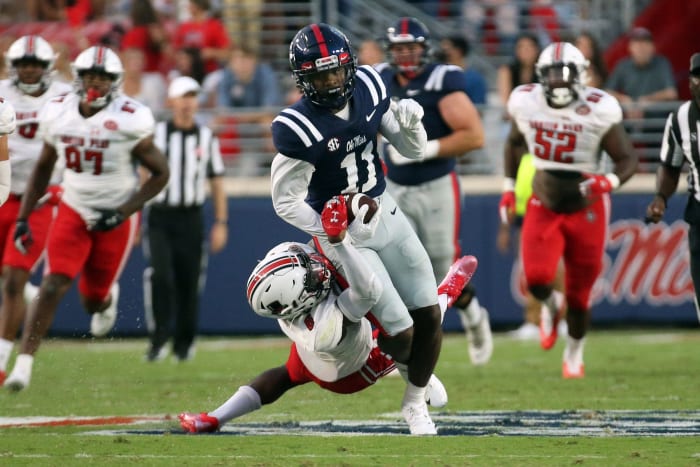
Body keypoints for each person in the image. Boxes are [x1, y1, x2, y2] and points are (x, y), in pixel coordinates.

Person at [179, 194, 478, 434]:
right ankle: (445, 297)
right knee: (405, 332)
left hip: (314, 357)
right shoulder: (322, 324)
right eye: (307, 276)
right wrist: (341, 242)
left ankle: (214, 418)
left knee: (284, 376)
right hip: (351, 370)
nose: (313, 268)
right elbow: (368, 290)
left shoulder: (293, 304)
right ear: (298, 302)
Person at [270, 23, 441, 435]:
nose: (330, 81)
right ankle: (411, 382)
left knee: (430, 313)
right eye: (319, 75)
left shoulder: (369, 84)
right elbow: (283, 199)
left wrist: (413, 125)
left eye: (335, 71)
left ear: (349, 66)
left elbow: (411, 151)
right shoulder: (298, 126)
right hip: (347, 236)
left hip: (385, 211)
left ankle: (414, 399)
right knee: (400, 329)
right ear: (302, 79)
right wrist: (330, 230)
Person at [2, 45, 169, 391]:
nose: (96, 83)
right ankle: (24, 365)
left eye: (103, 77)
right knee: (52, 285)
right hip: (73, 207)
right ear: (78, 78)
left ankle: (107, 298)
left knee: (92, 299)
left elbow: (161, 173)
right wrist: (24, 216)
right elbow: (44, 167)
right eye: (91, 76)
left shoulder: (129, 117)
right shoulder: (59, 112)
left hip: (114, 214)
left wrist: (124, 211)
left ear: (115, 82)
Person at [500, 42, 637, 378]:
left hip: (586, 207)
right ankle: (548, 308)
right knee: (536, 280)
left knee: (579, 296)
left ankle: (574, 352)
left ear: (581, 75)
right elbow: (515, 143)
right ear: (540, 76)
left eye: (565, 74)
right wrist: (507, 188)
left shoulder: (600, 108)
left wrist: (608, 181)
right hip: (543, 201)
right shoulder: (526, 101)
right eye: (552, 74)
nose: (559, 82)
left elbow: (627, 160)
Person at [377, 18, 492, 366]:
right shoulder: (379, 79)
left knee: (442, 264)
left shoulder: (442, 80)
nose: (407, 55)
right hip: (394, 184)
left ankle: (473, 314)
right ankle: (407, 351)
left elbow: (474, 136)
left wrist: (423, 148)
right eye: (400, 48)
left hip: (437, 182)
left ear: (425, 49)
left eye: (412, 47)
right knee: (400, 266)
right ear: (390, 52)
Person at [0, 36, 73, 386]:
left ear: (48, 66)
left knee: (13, 278)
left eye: (35, 65)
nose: (29, 71)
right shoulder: (2, 93)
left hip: (41, 199)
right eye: (23, 65)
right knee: (8, 279)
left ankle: (2, 360)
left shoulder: (64, 96)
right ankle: (26, 294)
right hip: (3, 193)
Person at [143, 76, 227, 362]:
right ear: (172, 101)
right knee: (161, 276)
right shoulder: (156, 134)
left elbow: (216, 181)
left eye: (193, 96)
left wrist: (221, 222)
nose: (188, 102)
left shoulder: (206, 137)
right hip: (161, 216)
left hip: (191, 217)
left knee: (189, 282)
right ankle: (158, 338)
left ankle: (184, 344)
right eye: (183, 96)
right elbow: (144, 174)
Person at [645, 52, 700, 323]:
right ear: (690, 81)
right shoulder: (680, 118)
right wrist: (661, 197)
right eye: (697, 76)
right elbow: (670, 165)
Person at [172, 0, 230, 74]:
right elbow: (176, 51)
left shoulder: (214, 25)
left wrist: (211, 53)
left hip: (208, 71)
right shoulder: (184, 26)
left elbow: (227, 53)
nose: (188, 6)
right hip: (187, 72)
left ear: (199, 5)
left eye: (191, 4)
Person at [497, 32, 541, 121]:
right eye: (521, 47)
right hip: (514, 116)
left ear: (537, 49)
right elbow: (505, 99)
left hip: (539, 117)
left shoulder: (544, 71)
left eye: (530, 47)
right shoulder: (506, 70)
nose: (526, 50)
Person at [439, 34, 488, 107]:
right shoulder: (438, 76)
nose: (443, 54)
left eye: (446, 50)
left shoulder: (474, 79)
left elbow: (479, 108)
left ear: (458, 51)